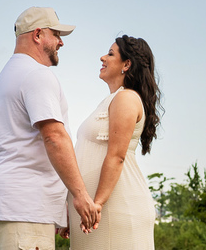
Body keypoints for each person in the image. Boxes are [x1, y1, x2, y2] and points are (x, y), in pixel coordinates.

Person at [0, 7, 102, 250]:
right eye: (56, 34)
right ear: (37, 35)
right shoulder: (36, 75)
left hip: (1, 202)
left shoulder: (7, 76)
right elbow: (54, 137)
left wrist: (58, 206)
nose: (61, 42)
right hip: (24, 204)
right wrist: (80, 195)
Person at [68, 35, 161, 250]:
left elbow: (117, 156)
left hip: (115, 209)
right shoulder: (111, 100)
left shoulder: (126, 98)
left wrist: (97, 204)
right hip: (92, 211)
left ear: (126, 64)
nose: (102, 57)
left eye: (110, 54)